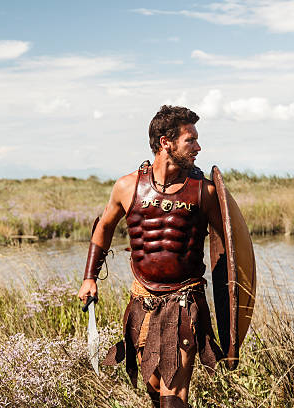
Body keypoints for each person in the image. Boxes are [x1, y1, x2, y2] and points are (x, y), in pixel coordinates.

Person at [77, 105, 227, 408]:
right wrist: (89, 278)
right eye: (191, 140)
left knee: (174, 391)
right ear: (165, 142)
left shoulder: (203, 191)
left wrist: (230, 307)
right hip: (143, 299)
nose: (199, 147)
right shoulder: (128, 186)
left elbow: (227, 246)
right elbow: (104, 227)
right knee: (154, 387)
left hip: (186, 301)